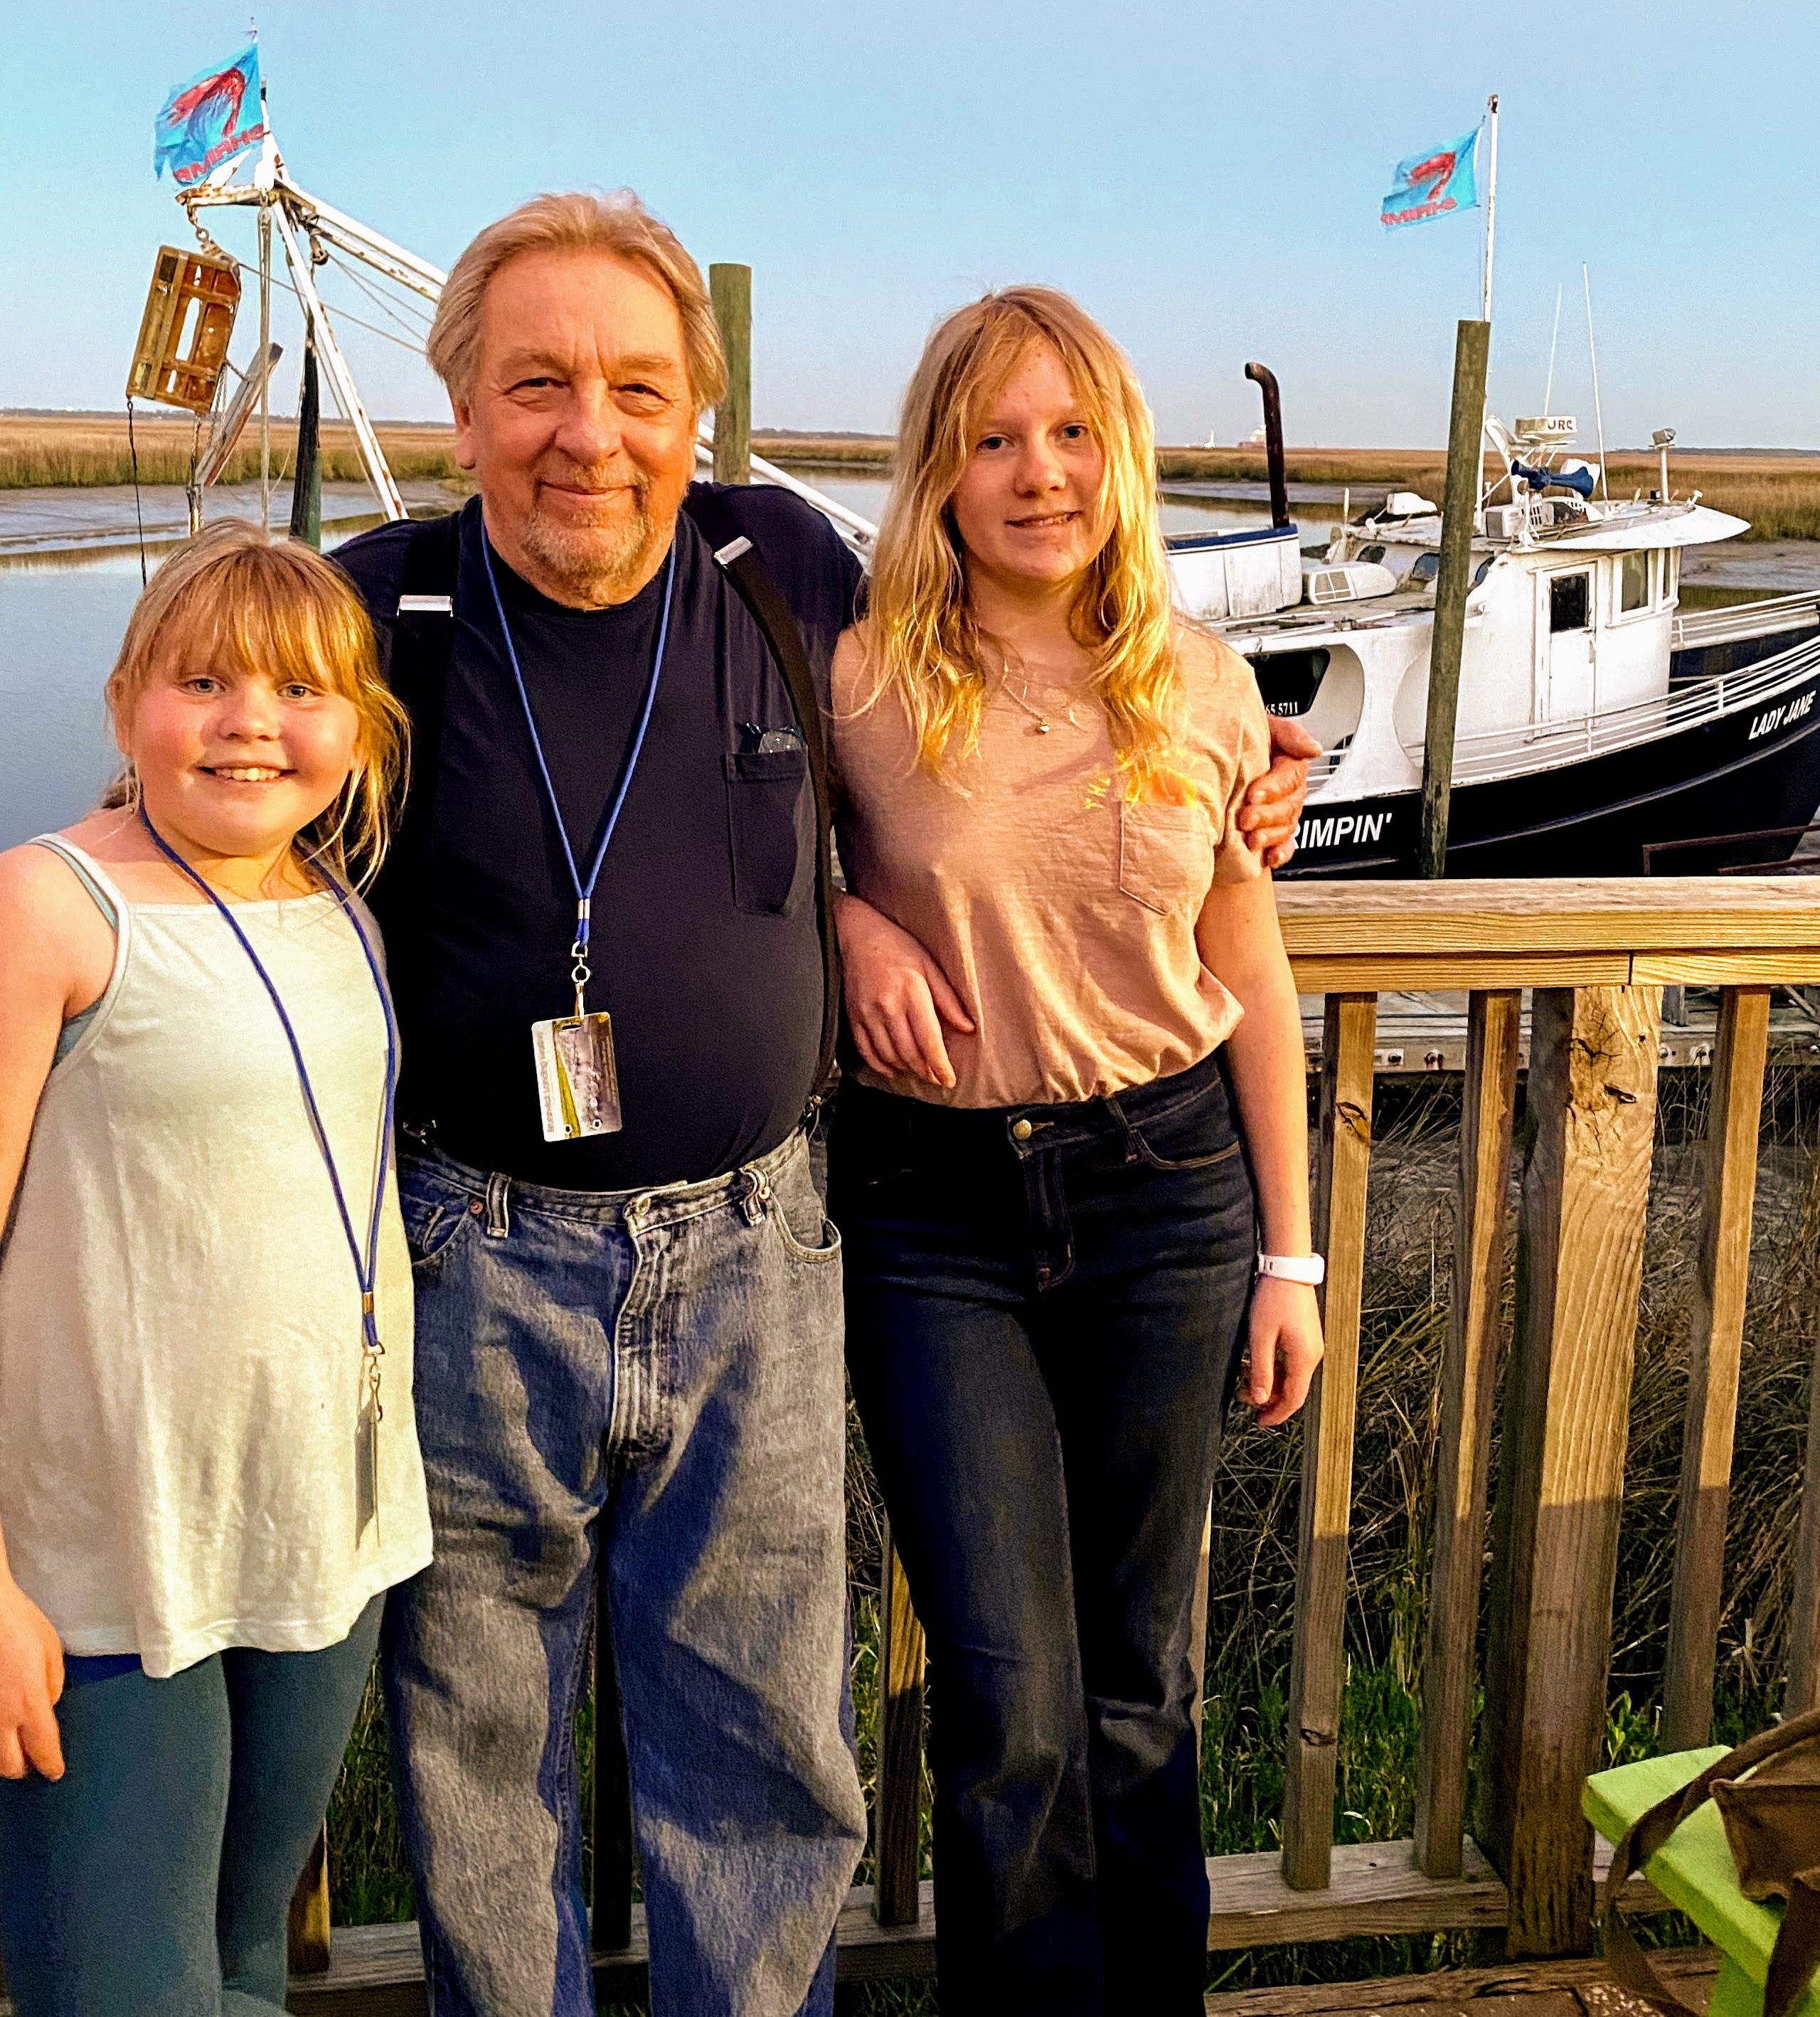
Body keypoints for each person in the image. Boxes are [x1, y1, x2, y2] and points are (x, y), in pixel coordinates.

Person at [334, 190, 1314, 2017]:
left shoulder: (775, 565)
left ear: (698, 409)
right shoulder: (378, 612)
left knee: (778, 1738)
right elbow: (206, 775)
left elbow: (1113, 797)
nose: (589, 432)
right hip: (489, 1247)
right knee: (484, 1743)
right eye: (535, 383)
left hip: (785, 1241)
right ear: (460, 404)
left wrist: (1293, 1238)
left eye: (638, 385)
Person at [826, 287, 1326, 2016]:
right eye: (992, 439)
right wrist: (841, 920)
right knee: (1008, 1696)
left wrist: (1293, 1254)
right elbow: (740, 849)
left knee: (1142, 1680)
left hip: (1168, 1190)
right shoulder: (862, 665)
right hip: (931, 1216)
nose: (1035, 474)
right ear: (938, 469)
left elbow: (1246, 964)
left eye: (1068, 435)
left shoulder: (1199, 681)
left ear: (1117, 458)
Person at [0, 523, 433, 2016]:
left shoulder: (338, 904)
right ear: (127, 707)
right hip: (99, 1565)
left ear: (358, 734)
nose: (252, 719)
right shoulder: (49, 904)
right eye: (203, 679)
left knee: (249, 1962)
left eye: (301, 690)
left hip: (315, 1534)